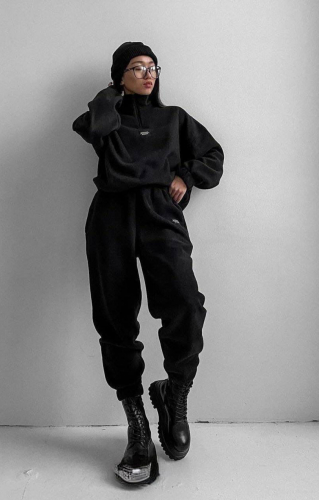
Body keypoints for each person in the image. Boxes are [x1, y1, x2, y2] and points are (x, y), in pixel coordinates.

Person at [72, 41, 224, 486]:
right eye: (137, 67)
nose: (148, 73)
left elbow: (213, 156)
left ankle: (174, 393)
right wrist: (112, 94)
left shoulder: (174, 118)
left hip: (160, 214)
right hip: (111, 216)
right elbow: (93, 127)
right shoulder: (106, 116)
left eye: (153, 66)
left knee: (186, 305)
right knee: (115, 317)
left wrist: (186, 175)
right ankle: (136, 424)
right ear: (120, 75)